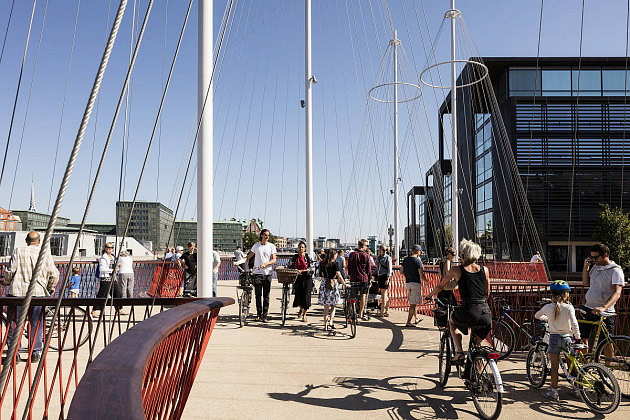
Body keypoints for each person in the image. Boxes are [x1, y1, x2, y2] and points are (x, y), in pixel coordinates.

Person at [426, 239, 492, 363]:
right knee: (477, 347)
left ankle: (460, 353)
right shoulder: (485, 270)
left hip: (469, 310)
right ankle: (477, 376)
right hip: (485, 313)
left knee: (451, 321)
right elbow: (487, 292)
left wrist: (429, 295)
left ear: (463, 254)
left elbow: (440, 286)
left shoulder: (456, 270)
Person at [4, 231, 59, 362]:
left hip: (17, 293)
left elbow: (10, 271)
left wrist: (6, 281)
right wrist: (50, 287)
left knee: (14, 323)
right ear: (39, 241)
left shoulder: (18, 251)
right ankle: (35, 351)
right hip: (38, 293)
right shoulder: (44, 253)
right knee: (36, 323)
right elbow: (54, 274)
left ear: (26, 240)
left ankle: (14, 353)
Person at [534, 280, 580, 401]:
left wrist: (548, 318)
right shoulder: (569, 307)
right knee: (572, 364)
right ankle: (577, 389)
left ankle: (554, 391)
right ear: (566, 294)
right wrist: (578, 337)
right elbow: (574, 323)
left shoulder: (547, 307)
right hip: (567, 338)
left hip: (553, 338)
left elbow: (537, 316)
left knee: (554, 367)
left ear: (552, 294)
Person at [581, 243, 625, 346]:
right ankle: (586, 362)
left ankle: (608, 362)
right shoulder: (595, 267)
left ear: (605, 255)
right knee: (583, 338)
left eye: (596, 257)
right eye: (592, 257)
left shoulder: (616, 270)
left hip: (605, 312)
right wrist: (585, 267)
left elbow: (617, 292)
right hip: (589, 308)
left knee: (606, 342)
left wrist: (604, 307)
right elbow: (585, 283)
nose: (594, 260)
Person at [246, 229, 277, 322]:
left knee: (266, 296)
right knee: (258, 295)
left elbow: (274, 260)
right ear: (261, 235)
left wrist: (266, 264)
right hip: (257, 273)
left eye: (268, 235)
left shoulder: (272, 246)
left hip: (268, 273)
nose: (267, 237)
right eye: (265, 235)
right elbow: (249, 256)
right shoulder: (256, 245)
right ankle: (259, 314)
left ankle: (265, 315)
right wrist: (240, 261)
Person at [318, 249, 346, 330]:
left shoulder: (322, 263)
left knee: (326, 307)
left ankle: (325, 325)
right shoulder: (335, 264)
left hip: (324, 284)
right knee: (333, 305)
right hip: (333, 285)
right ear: (334, 255)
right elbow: (339, 275)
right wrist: (344, 283)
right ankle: (331, 321)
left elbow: (321, 275)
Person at [93, 242, 121, 315]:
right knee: (102, 294)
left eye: (111, 248)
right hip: (105, 278)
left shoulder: (113, 257)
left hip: (113, 278)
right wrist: (112, 270)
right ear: (105, 248)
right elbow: (102, 269)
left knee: (117, 293)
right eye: (108, 248)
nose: (110, 249)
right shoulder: (103, 258)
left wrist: (117, 268)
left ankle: (119, 309)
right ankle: (95, 310)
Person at [288, 241, 313, 322]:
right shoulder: (294, 257)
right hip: (298, 278)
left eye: (302, 247)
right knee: (299, 296)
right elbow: (290, 266)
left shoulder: (308, 257)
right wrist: (295, 270)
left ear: (305, 248)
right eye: (299, 247)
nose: (301, 248)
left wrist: (305, 270)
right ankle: (300, 309)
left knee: (306, 296)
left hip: (307, 278)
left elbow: (312, 267)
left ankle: (304, 314)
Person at [347, 239, 372, 321]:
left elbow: (349, 267)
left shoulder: (352, 254)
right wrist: (370, 279)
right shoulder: (366, 255)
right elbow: (368, 270)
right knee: (363, 295)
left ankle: (351, 313)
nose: (367, 247)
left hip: (354, 278)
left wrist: (350, 275)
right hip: (363, 279)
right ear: (363, 246)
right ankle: (360, 314)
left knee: (352, 296)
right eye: (366, 246)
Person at [402, 244, 425, 327]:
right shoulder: (418, 261)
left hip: (408, 283)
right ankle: (408, 322)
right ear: (417, 251)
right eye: (420, 251)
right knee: (413, 304)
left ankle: (416, 318)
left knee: (413, 302)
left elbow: (401, 271)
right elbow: (421, 274)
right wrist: (426, 281)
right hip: (415, 283)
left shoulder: (405, 259)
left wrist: (408, 275)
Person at [376, 245, 393, 317]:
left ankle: (382, 312)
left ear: (384, 250)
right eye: (379, 250)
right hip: (380, 276)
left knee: (383, 294)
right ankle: (386, 310)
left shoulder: (388, 258)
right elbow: (377, 267)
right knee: (384, 294)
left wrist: (388, 278)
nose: (379, 251)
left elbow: (390, 269)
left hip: (385, 276)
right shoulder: (378, 257)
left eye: (380, 250)